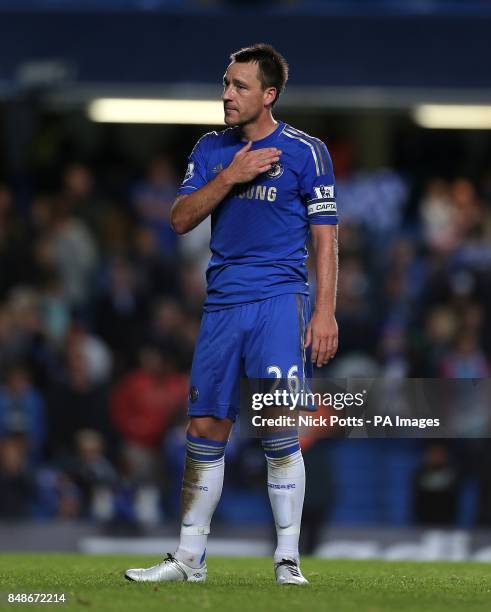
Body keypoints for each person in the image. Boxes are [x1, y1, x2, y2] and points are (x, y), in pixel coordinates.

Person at [125, 43, 339, 586]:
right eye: (225, 83)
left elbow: (326, 239)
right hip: (221, 303)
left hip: (278, 302)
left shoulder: (306, 152)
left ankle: (287, 558)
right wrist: (231, 175)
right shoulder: (211, 149)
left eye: (239, 86)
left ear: (268, 95)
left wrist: (326, 313)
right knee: (205, 425)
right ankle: (189, 558)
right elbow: (178, 220)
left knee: (277, 427)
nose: (226, 94)